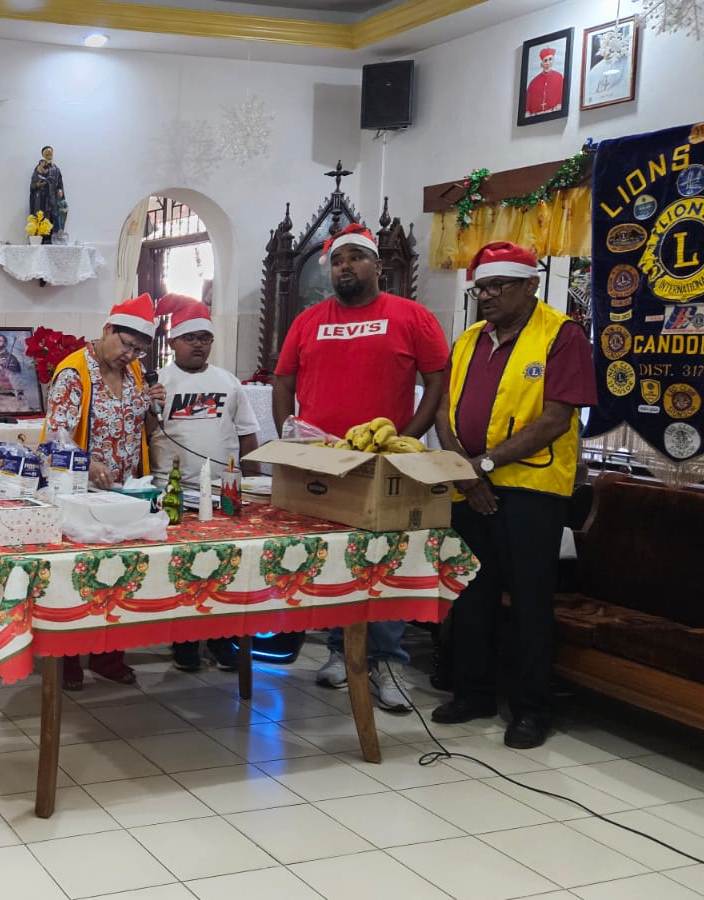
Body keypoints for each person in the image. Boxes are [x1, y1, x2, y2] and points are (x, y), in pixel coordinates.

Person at [272, 223, 449, 712]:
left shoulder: (412, 316)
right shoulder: (308, 320)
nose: (344, 267)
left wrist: (404, 439)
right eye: (336, 260)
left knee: (387, 559)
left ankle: (387, 661)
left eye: (355, 257)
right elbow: (283, 380)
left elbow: (437, 381)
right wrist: (289, 436)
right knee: (337, 560)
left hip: (383, 462)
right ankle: (340, 650)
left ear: (378, 265)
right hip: (322, 462)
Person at [432, 242, 595, 750]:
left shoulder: (561, 336)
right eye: (481, 287)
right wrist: (466, 474)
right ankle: (474, 692)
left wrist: (483, 465)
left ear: (531, 285)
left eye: (498, 286)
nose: (487, 295)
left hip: (532, 491)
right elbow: (443, 412)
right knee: (472, 594)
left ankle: (530, 709)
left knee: (528, 600)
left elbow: (556, 418)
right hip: (469, 487)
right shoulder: (468, 341)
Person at [43, 294, 167, 690]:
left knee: (120, 576)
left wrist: (151, 405)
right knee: (79, 578)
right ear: (108, 329)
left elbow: (136, 426)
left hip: (126, 493)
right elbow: (56, 437)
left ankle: (109, 656)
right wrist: (87, 461)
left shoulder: (133, 373)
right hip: (82, 495)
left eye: (138, 350)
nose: (130, 355)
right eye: (126, 345)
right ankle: (67, 659)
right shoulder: (74, 372)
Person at [149, 299, 261, 672]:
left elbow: (247, 435)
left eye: (205, 338)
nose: (198, 344)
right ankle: (183, 641)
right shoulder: (157, 383)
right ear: (173, 341)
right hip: (173, 494)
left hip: (223, 494)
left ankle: (220, 639)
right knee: (182, 569)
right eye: (190, 338)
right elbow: (144, 435)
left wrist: (252, 483)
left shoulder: (228, 382)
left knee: (224, 568)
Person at [29, 146, 65, 240]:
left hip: (53, 198)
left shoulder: (56, 169)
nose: (49, 156)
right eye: (46, 154)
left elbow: (60, 183)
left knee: (54, 217)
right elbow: (33, 185)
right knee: (43, 217)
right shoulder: (39, 168)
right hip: (42, 199)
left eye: (50, 153)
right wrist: (37, 185)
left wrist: (60, 190)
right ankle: (42, 239)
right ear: (43, 155)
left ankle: (54, 238)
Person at [525, 46, 565, 116]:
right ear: (542, 64)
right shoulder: (533, 83)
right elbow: (528, 108)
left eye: (550, 59)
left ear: (553, 60)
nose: (548, 63)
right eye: (545, 60)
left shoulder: (559, 77)